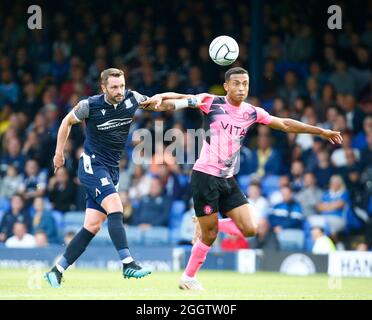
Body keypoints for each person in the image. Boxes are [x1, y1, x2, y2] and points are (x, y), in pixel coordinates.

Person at [142, 67, 343, 290]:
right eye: (236, 83)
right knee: (209, 237)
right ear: (226, 86)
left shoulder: (251, 112)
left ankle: (208, 222)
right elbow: (181, 99)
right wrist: (161, 98)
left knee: (250, 228)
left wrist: (321, 131)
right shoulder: (211, 102)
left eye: (245, 84)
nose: (241, 88)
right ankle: (188, 277)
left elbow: (285, 124)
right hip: (205, 176)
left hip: (228, 179)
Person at [45, 67, 204, 288]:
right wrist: (58, 153)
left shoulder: (132, 98)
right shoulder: (89, 105)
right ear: (103, 88)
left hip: (111, 170)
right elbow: (65, 122)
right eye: (114, 87)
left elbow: (160, 101)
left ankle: (57, 270)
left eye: (121, 86)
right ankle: (128, 263)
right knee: (116, 208)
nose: (119, 91)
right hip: (92, 165)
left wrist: (189, 99)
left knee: (92, 226)